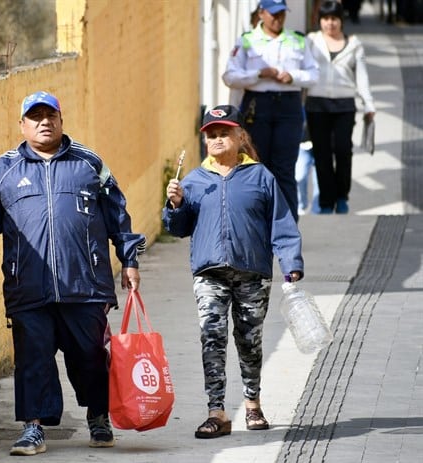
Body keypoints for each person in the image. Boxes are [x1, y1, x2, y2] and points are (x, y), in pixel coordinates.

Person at [0, 90, 146, 456]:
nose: (44, 122)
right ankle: (33, 428)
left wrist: (130, 260)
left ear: (61, 121)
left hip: (85, 285)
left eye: (51, 115)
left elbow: (118, 216)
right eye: (36, 116)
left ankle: (98, 415)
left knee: (89, 356)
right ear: (22, 125)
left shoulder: (89, 164)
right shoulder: (4, 170)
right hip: (28, 285)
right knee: (32, 357)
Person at [162, 105, 303, 439]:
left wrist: (291, 263)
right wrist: (176, 205)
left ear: (241, 136)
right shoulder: (194, 180)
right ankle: (217, 412)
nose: (217, 139)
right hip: (209, 273)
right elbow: (179, 228)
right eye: (211, 134)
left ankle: (252, 404)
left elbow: (281, 223)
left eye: (224, 132)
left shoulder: (261, 176)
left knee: (248, 341)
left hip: (252, 273)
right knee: (212, 336)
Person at [222, 0, 319, 222]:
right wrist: (258, 74)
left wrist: (293, 76)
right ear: (262, 13)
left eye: (282, 14)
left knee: (284, 168)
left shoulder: (298, 40)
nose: (278, 19)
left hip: (289, 106)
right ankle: (258, 223)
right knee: (257, 167)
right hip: (258, 106)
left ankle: (287, 227)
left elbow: (314, 74)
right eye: (274, 14)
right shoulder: (247, 41)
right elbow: (229, 76)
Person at [305, 0, 375, 214]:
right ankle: (326, 202)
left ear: (341, 20)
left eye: (334, 19)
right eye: (326, 19)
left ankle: (342, 196)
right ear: (320, 20)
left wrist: (368, 103)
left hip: (344, 105)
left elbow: (361, 78)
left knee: (343, 151)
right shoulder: (311, 41)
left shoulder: (354, 44)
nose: (330, 23)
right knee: (322, 154)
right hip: (317, 105)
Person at [295, 118, 320, 215]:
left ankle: (316, 209)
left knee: (319, 180)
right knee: (299, 176)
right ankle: (302, 204)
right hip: (303, 141)